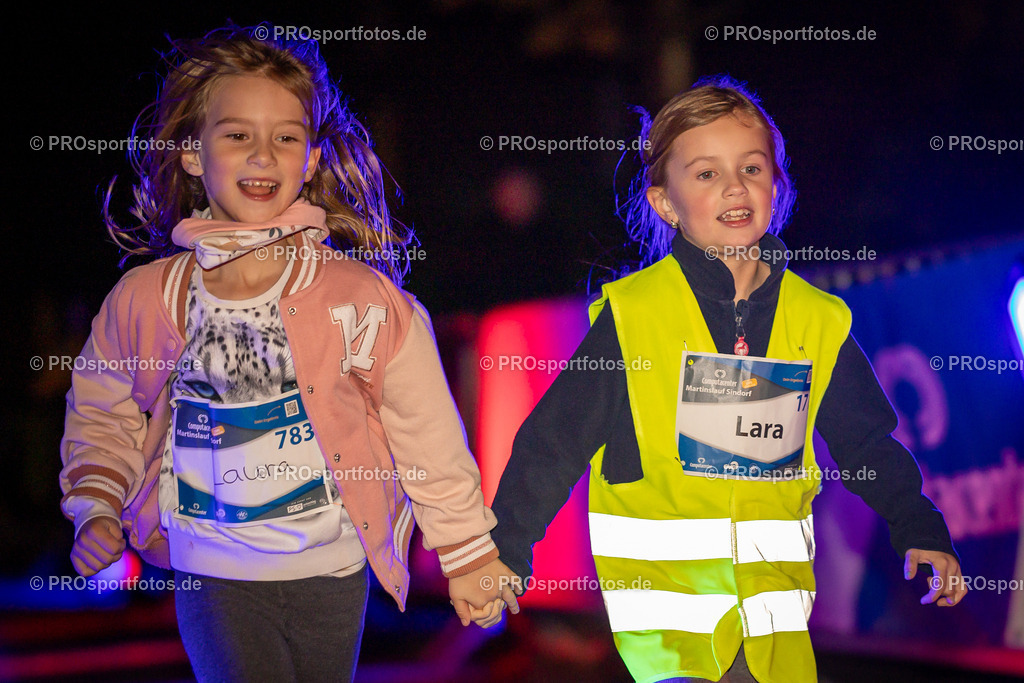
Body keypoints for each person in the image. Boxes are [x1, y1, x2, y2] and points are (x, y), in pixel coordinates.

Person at [59, 26, 509, 682]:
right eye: (238, 134)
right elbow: (102, 409)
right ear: (191, 153)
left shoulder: (361, 299)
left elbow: (427, 435)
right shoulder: (148, 300)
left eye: (286, 137)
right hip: (213, 572)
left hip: (332, 571)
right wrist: (97, 504)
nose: (263, 155)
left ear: (310, 158)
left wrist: (468, 554)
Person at [487, 76, 966, 682]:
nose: (734, 187)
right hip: (673, 633)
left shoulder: (816, 320)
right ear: (665, 202)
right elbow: (553, 443)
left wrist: (920, 526)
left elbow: (867, 441)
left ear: (778, 186)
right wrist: (504, 551)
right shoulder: (635, 318)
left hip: (775, 626)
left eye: (752, 168)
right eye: (706, 174)